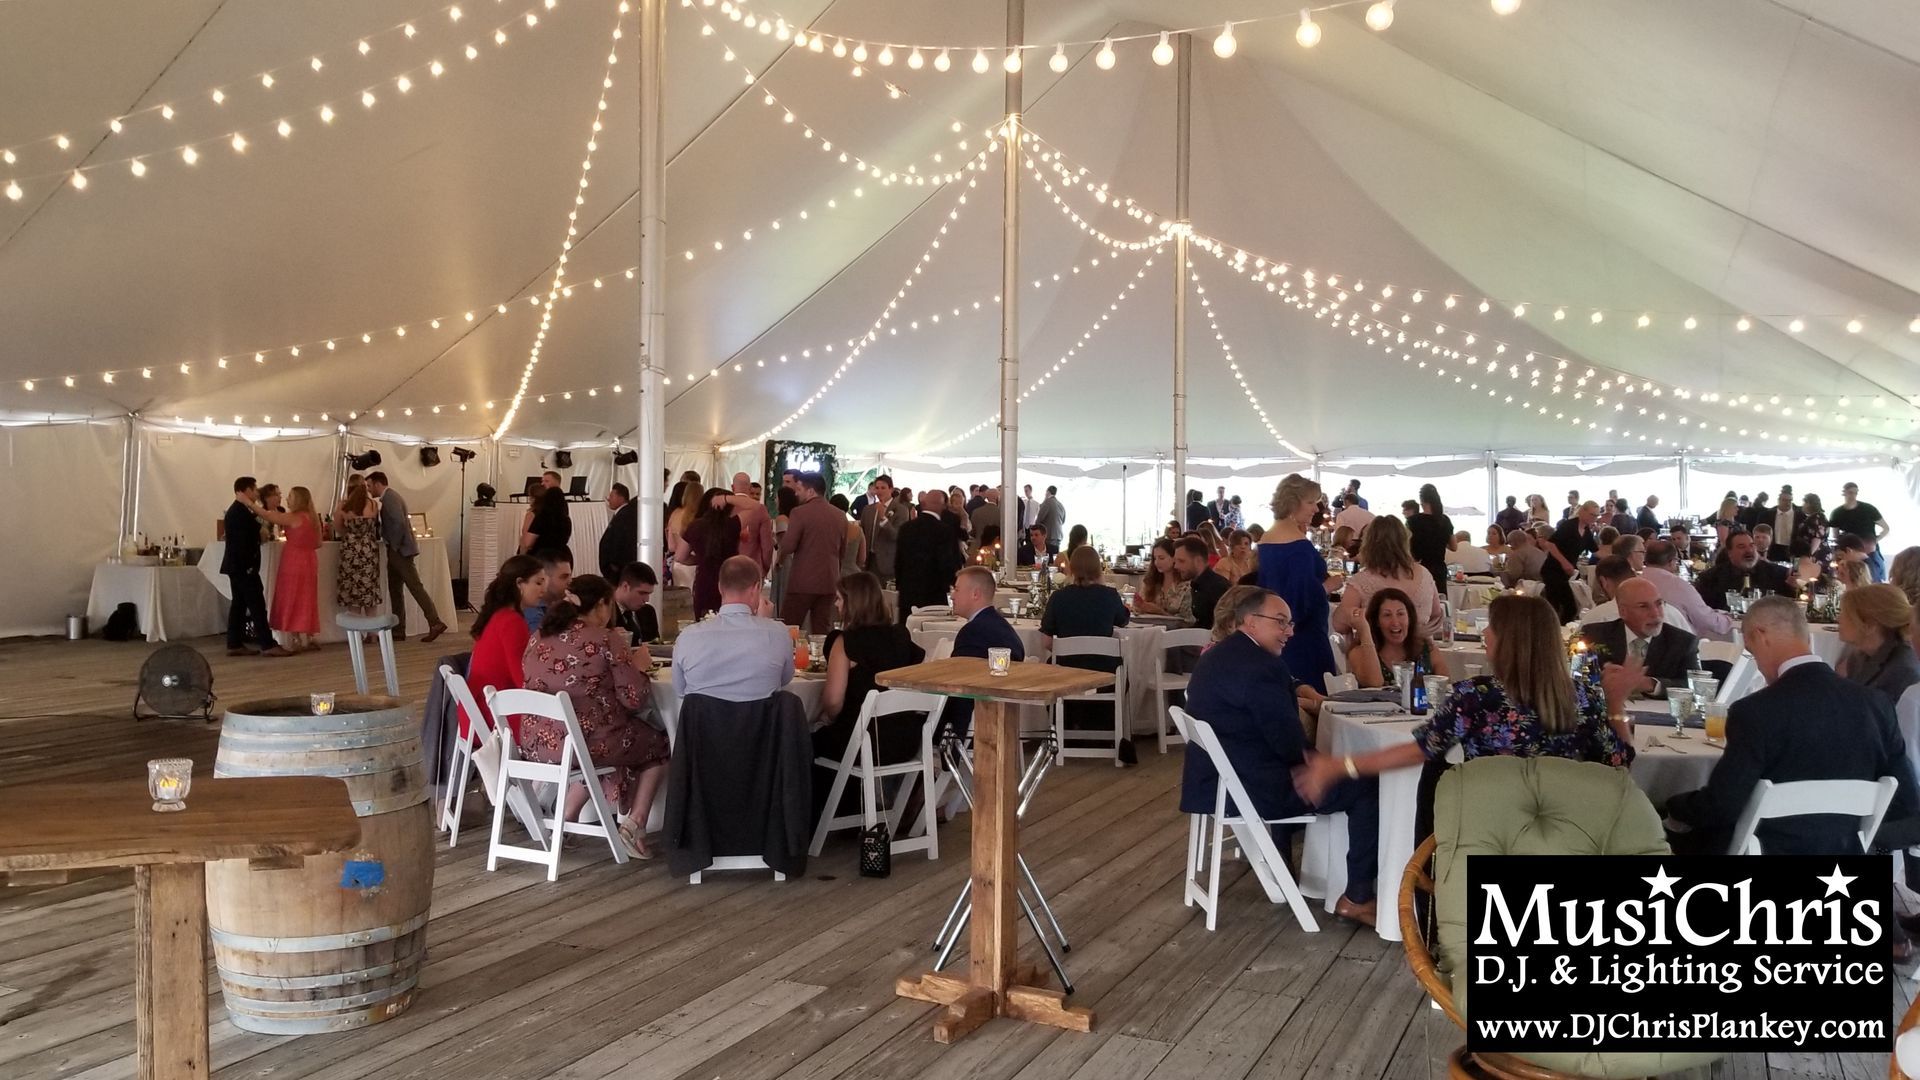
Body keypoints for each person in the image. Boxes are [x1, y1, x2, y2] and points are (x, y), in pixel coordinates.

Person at [1297, 593, 1637, 824]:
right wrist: (1616, 703)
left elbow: (1419, 751)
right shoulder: (1582, 695)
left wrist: (1340, 766)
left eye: (1492, 627)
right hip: (1566, 821)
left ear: (1510, 639)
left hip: (1488, 820)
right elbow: (1618, 764)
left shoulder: (1478, 695)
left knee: (1434, 774)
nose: (1485, 633)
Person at [1183, 589, 1381, 925]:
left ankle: (1317, 873)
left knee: (1341, 771)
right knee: (1367, 785)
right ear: (1250, 622)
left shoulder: (1218, 655)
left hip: (1216, 781)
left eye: (1290, 623)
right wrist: (1325, 765)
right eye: (1280, 623)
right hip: (1255, 787)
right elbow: (1288, 744)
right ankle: (1358, 897)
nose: (1289, 631)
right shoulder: (1261, 668)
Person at [1665, 597, 1918, 854]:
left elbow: (1723, 806)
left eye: (1752, 652)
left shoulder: (1755, 710)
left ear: (1761, 635)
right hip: (1843, 856)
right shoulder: (1877, 704)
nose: (1759, 666)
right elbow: (1906, 801)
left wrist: (1671, 803)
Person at [521, 574, 669, 860]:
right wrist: (638, 666)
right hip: (584, 744)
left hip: (539, 743)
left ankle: (567, 818)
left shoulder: (537, 637)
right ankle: (635, 824)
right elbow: (634, 698)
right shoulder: (604, 639)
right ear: (601, 605)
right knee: (656, 742)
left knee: (606, 741)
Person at [813, 573, 925, 794]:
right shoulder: (900, 637)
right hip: (906, 740)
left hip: (863, 741)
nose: (836, 604)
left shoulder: (846, 642)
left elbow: (833, 702)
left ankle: (825, 817)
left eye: (839, 599)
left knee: (801, 741)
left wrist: (827, 717)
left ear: (852, 602)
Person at [672, 556, 795, 702]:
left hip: (704, 723)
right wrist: (764, 623)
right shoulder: (778, 633)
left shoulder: (688, 636)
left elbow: (680, 691)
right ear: (756, 588)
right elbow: (783, 679)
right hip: (760, 723)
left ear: (719, 587)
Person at [1256, 474, 1337, 694]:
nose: (1315, 508)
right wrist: (1328, 586)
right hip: (1306, 639)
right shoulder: (1299, 548)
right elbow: (1299, 603)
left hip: (1275, 634)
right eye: (1310, 502)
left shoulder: (1266, 539)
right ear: (1293, 503)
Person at [464, 554, 545, 742]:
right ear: (520, 584)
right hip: (493, 715)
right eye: (538, 583)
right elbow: (522, 679)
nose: (543, 590)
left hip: (477, 712)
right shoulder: (512, 621)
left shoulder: (497, 614)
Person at [1580, 578, 1700, 699]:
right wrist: (1603, 681)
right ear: (1623, 612)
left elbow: (1694, 686)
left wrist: (1649, 684)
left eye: (1659, 604)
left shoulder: (1682, 642)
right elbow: (1576, 680)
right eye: (1643, 606)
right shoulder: (1594, 636)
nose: (1655, 614)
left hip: (1657, 715)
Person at [363, 472, 447, 643]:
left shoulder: (390, 499)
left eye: (370, 486)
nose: (369, 490)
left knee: (414, 587)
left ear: (378, 484)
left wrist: (394, 545)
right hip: (398, 550)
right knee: (395, 590)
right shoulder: (391, 498)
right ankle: (398, 630)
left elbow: (399, 523)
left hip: (399, 551)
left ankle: (434, 621)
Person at [1333, 514, 1444, 639]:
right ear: (1405, 542)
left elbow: (1340, 625)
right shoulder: (1424, 574)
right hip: (1419, 652)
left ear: (1368, 544)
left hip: (1375, 653)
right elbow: (1436, 614)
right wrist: (1417, 633)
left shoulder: (1361, 581)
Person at [776, 471, 845, 633]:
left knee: (789, 627)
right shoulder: (840, 515)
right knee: (821, 630)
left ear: (811, 491)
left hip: (802, 581)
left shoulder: (799, 513)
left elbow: (789, 546)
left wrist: (780, 545)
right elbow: (842, 551)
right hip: (829, 580)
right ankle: (819, 657)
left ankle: (789, 657)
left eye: (799, 489)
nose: (796, 493)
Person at [1344, 587, 1450, 689]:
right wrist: (1365, 632)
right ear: (1377, 621)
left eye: (1400, 614)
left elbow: (1446, 685)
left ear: (1409, 618)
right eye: (1387, 615)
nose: (1395, 622)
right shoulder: (1359, 652)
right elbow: (1374, 683)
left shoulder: (1426, 648)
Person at [259, 485, 322, 655]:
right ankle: (306, 636)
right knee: (306, 598)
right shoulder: (313, 518)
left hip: (293, 560)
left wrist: (251, 504)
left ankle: (294, 637)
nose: (287, 499)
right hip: (309, 560)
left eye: (290, 497)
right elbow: (319, 543)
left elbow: (268, 515)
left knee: (292, 597)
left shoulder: (294, 517)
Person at [220, 477, 279, 657]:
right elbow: (248, 539)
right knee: (256, 604)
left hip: (237, 565)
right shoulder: (239, 511)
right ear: (246, 490)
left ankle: (234, 642)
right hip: (244, 565)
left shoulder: (240, 510)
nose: (256, 493)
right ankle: (267, 644)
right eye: (254, 489)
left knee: (239, 603)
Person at [1835, 584, 1920, 707]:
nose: (1838, 619)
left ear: (1870, 626)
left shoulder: (1903, 671)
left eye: (1845, 614)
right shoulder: (1860, 656)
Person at [893, 488, 964, 624]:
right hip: (934, 594)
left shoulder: (906, 528)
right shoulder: (945, 531)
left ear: (924, 504)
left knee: (907, 633)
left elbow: (898, 563)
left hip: (908, 593)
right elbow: (950, 564)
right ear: (943, 506)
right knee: (932, 633)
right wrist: (954, 585)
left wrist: (901, 586)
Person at [1640, 540, 1734, 641]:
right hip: (1679, 644)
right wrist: (1730, 620)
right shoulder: (1679, 586)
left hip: (1643, 640)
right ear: (1672, 562)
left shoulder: (1634, 582)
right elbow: (1705, 619)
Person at [1039, 546, 1129, 646]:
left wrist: (1062, 651)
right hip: (1103, 660)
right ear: (1098, 569)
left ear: (1072, 569)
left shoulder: (1058, 597)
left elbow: (1046, 641)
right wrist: (1102, 586)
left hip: (1065, 661)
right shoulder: (1110, 595)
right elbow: (1123, 621)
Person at [1694, 530, 1799, 611]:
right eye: (1741, 547)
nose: (1749, 550)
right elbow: (1703, 610)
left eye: (1751, 545)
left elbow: (1790, 605)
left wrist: (1794, 588)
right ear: (1729, 553)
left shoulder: (1777, 573)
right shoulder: (1711, 578)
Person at [675, 488, 740, 619]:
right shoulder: (733, 525)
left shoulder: (695, 526)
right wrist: (729, 499)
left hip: (704, 580)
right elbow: (755, 508)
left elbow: (680, 556)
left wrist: (700, 558)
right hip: (730, 578)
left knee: (705, 619)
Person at [1541, 500, 1598, 624]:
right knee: (1557, 607)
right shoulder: (1569, 526)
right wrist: (1564, 562)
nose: (1594, 518)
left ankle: (1562, 630)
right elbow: (1550, 544)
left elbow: (1597, 551)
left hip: (1567, 574)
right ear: (1582, 511)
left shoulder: (1587, 532)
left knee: (1570, 608)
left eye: (1596, 516)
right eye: (1592, 514)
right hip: (1553, 570)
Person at [333, 474, 382, 616]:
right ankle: (373, 633)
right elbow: (376, 525)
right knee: (368, 592)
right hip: (368, 549)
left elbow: (337, 527)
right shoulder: (373, 504)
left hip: (350, 549)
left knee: (352, 593)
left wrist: (350, 533)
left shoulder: (344, 505)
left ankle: (356, 633)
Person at [1830, 482, 1891, 583]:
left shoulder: (1869, 509)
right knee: (1850, 581)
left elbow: (1886, 528)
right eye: (1850, 492)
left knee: (1872, 581)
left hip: (1870, 552)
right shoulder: (1837, 513)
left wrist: (1874, 541)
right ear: (1844, 493)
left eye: (1855, 493)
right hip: (1850, 554)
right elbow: (1835, 537)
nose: (1853, 495)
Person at [859, 475, 909, 582]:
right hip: (868, 560)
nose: (879, 491)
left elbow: (897, 535)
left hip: (887, 562)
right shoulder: (868, 509)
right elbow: (862, 533)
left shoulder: (901, 510)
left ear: (890, 489)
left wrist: (883, 518)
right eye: (877, 488)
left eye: (883, 488)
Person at [1175, 536, 1231, 630]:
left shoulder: (1217, 587)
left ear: (1198, 561)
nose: (1176, 566)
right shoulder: (1197, 584)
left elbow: (1223, 628)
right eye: (1175, 561)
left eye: (1181, 561)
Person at [1405, 484, 1453, 589]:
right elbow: (1454, 547)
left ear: (1421, 501)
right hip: (1439, 568)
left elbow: (1405, 547)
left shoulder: (1413, 521)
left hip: (1419, 567)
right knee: (1440, 601)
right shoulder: (1444, 520)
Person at [1134, 538, 1192, 622]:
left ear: (1174, 558)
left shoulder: (1185, 585)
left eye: (1161, 558)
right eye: (1155, 558)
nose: (1157, 563)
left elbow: (1187, 621)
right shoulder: (1151, 582)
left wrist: (1160, 612)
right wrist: (1140, 607)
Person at [728, 473, 775, 574]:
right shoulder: (760, 509)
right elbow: (767, 545)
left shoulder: (725, 508)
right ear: (749, 488)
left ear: (732, 487)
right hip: (752, 565)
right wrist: (764, 568)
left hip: (727, 566)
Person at [665, 481, 706, 589]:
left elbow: (671, 546)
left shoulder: (675, 514)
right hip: (692, 564)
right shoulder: (700, 518)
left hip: (677, 565)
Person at [611, 562, 661, 647]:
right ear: (625, 586)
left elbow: (656, 645)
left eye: (649, 594)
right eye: (642, 593)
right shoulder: (605, 614)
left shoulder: (648, 612)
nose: (646, 599)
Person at [522, 549, 572, 631]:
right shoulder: (532, 612)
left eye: (570, 575)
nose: (570, 581)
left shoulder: (555, 606)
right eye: (564, 577)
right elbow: (548, 642)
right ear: (544, 579)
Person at [768, 485, 798, 614]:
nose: (775, 500)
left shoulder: (781, 519)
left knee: (782, 590)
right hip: (795, 558)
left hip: (785, 560)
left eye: (776, 497)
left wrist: (779, 562)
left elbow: (784, 543)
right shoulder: (796, 517)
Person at [598, 482, 637, 579]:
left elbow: (621, 539)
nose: (608, 499)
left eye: (612, 496)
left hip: (618, 568)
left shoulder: (625, 515)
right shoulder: (621, 514)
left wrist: (615, 563)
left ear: (621, 497)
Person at [521, 485, 573, 556]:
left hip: (542, 556)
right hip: (561, 555)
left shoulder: (541, 517)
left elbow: (528, 542)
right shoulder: (566, 520)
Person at [828, 493, 867, 577]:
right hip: (852, 574)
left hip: (830, 573)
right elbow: (862, 559)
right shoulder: (857, 530)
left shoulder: (825, 529)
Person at [1035, 485, 1066, 555]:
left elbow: (1039, 519)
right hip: (1058, 536)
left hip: (1049, 536)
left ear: (1048, 492)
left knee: (1047, 557)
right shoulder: (1060, 505)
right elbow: (1063, 521)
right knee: (1055, 556)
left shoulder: (1047, 502)